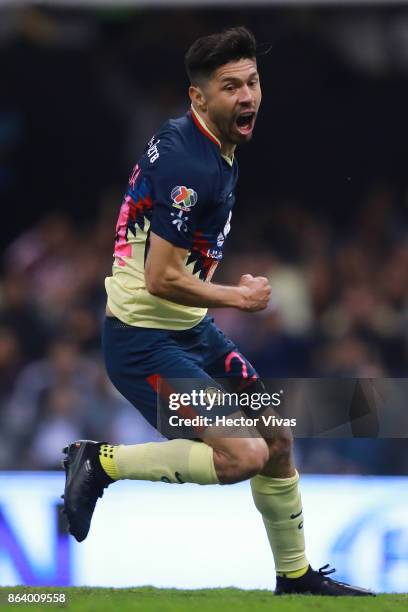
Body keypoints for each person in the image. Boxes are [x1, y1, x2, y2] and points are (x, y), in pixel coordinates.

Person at [62, 27, 373, 596]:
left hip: (189, 332)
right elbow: (160, 278)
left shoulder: (208, 144)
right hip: (142, 341)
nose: (248, 96)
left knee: (277, 435)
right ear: (198, 97)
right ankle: (100, 461)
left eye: (252, 82)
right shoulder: (192, 164)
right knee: (243, 455)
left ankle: (295, 576)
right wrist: (240, 297)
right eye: (231, 86)